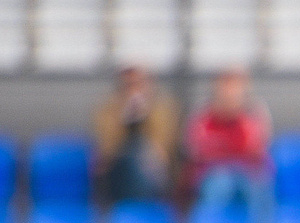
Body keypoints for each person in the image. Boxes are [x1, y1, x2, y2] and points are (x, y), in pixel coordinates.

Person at [181, 68, 269, 212]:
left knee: (260, 187)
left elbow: (253, 149)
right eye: (226, 86)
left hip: (248, 173)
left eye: (235, 87)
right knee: (220, 183)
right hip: (212, 173)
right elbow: (198, 151)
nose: (230, 93)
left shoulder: (253, 114)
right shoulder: (202, 115)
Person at [92, 65, 177, 206]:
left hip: (155, 175)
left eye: (139, 84)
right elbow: (107, 151)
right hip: (117, 174)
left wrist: (144, 117)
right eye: (129, 85)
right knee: (130, 155)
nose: (134, 90)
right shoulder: (107, 112)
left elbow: (162, 151)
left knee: (141, 151)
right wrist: (125, 119)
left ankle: (140, 210)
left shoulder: (163, 110)